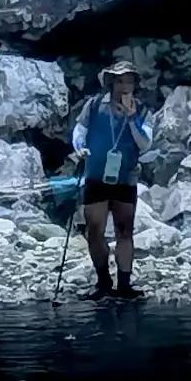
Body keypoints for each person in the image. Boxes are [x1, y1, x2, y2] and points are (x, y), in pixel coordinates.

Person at [71, 60, 161, 300]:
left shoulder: (142, 111)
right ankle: (103, 282)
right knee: (95, 231)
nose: (125, 86)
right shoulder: (93, 106)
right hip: (96, 175)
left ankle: (124, 285)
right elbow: (80, 130)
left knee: (124, 231)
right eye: (120, 81)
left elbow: (145, 143)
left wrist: (132, 118)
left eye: (129, 81)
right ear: (111, 83)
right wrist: (79, 147)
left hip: (125, 178)